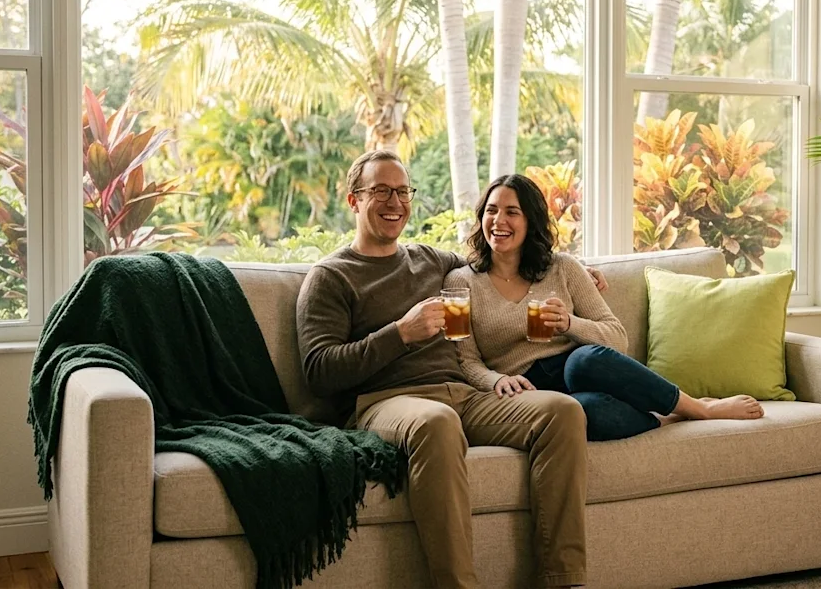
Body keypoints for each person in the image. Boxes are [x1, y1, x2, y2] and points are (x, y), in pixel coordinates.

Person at [296, 151, 598, 589]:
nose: (394, 202)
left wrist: (566, 271)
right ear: (353, 200)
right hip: (387, 403)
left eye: (402, 191)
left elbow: (497, 259)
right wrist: (400, 332)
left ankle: (562, 579)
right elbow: (319, 372)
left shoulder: (432, 261)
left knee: (562, 411)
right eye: (380, 190)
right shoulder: (331, 277)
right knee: (436, 422)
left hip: (464, 394)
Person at [445, 174, 764, 443]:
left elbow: (616, 338)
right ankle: (665, 418)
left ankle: (700, 408)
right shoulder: (458, 283)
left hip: (579, 369)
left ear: (531, 221)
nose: (498, 221)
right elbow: (465, 358)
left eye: (512, 212)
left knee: (581, 361)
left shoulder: (564, 268)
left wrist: (569, 323)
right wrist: (495, 380)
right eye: (491, 211)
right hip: (528, 390)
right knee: (584, 413)